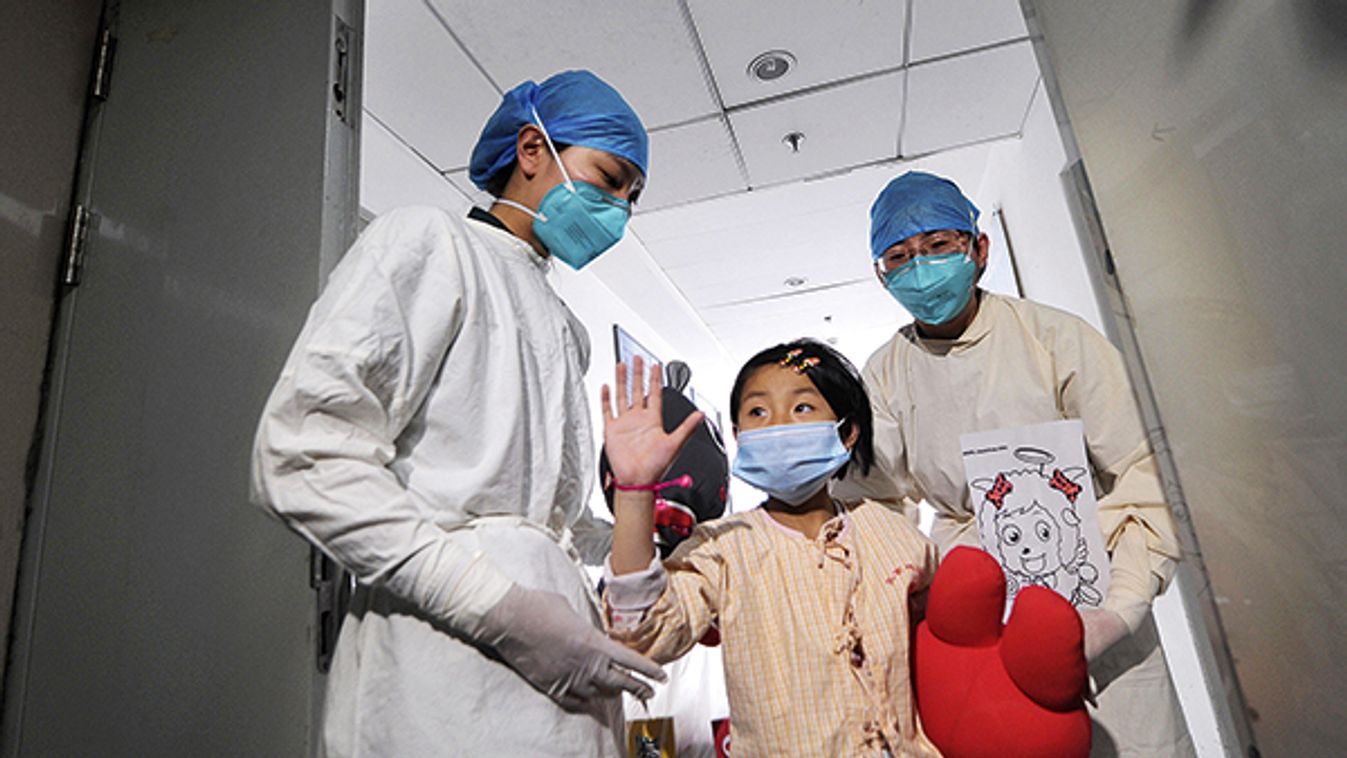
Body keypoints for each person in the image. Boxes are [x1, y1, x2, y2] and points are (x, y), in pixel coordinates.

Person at [249, 70, 664, 757]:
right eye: (610, 178)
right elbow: (301, 456)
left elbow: (544, 522)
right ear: (533, 150)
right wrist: (501, 612)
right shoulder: (430, 243)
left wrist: (635, 507)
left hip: (563, 677)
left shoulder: (564, 326)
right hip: (441, 665)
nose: (619, 207)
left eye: (632, 195)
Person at [842, 170, 1194, 755]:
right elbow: (877, 507)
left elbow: (1145, 471)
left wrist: (1116, 611)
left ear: (979, 249)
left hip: (1088, 593)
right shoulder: (884, 373)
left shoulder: (1053, 339)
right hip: (972, 616)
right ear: (882, 277)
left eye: (938, 247)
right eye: (899, 257)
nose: (921, 269)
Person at [600, 342, 942, 757]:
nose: (779, 424)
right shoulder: (721, 548)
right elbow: (642, 636)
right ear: (739, 436)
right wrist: (634, 491)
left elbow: (944, 653)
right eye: (758, 412)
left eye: (802, 408)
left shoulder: (897, 537)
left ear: (848, 432)